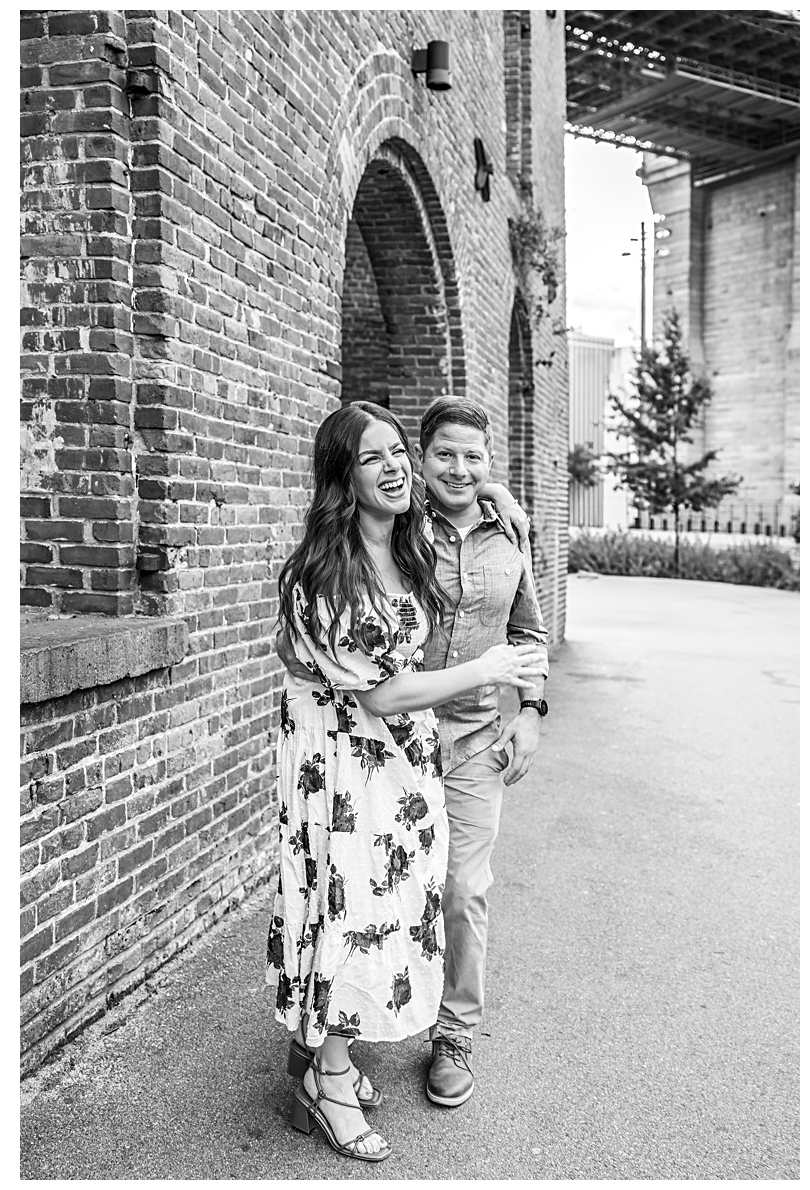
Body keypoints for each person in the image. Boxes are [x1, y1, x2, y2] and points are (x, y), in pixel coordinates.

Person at [267, 402, 546, 1163]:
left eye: (397, 453)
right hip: (345, 768)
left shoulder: (407, 541)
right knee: (349, 907)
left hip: (401, 764)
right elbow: (381, 693)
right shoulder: (327, 571)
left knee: (391, 906)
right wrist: (487, 671)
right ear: (340, 477)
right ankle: (326, 1078)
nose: (393, 467)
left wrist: (501, 500)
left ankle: (337, 1056)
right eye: (373, 458)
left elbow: (465, 508)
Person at [414, 396, 549, 1109]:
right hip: (395, 736)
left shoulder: (509, 536)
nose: (459, 468)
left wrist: (530, 712)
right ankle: (368, 1018)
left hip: (474, 738)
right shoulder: (398, 523)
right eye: (446, 454)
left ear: (488, 461)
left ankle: (454, 1033)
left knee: (463, 889)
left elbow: (528, 632)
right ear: (422, 456)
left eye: (473, 457)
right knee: (397, 880)